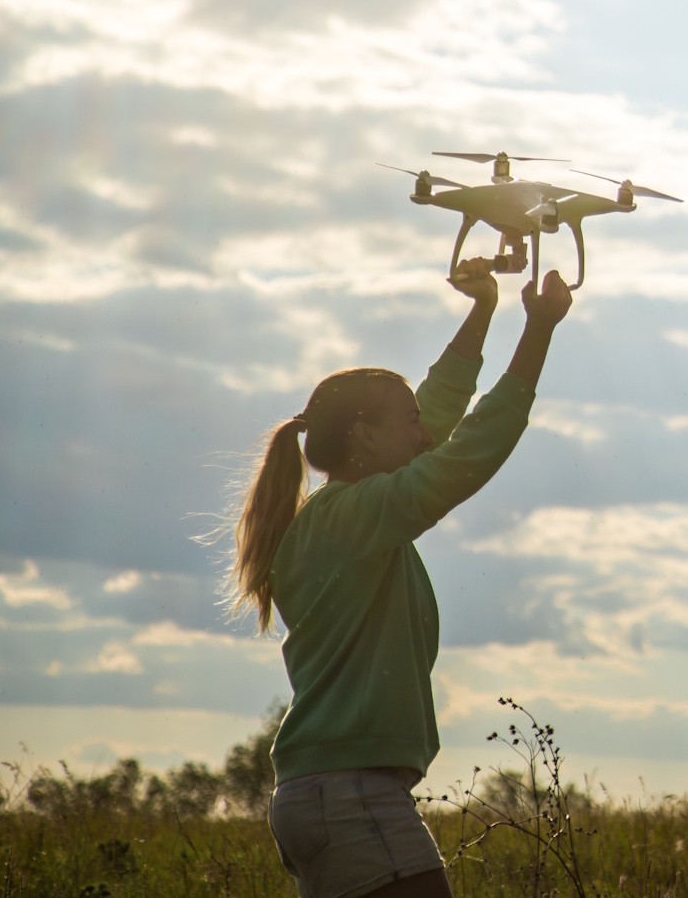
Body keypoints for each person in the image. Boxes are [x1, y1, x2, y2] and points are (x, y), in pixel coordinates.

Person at [228, 259, 573, 898]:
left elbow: (436, 417)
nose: (424, 432)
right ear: (363, 436)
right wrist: (539, 333)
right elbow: (465, 455)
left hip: (328, 792)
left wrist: (483, 312)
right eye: (407, 421)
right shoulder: (352, 517)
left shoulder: (345, 515)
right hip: (351, 793)